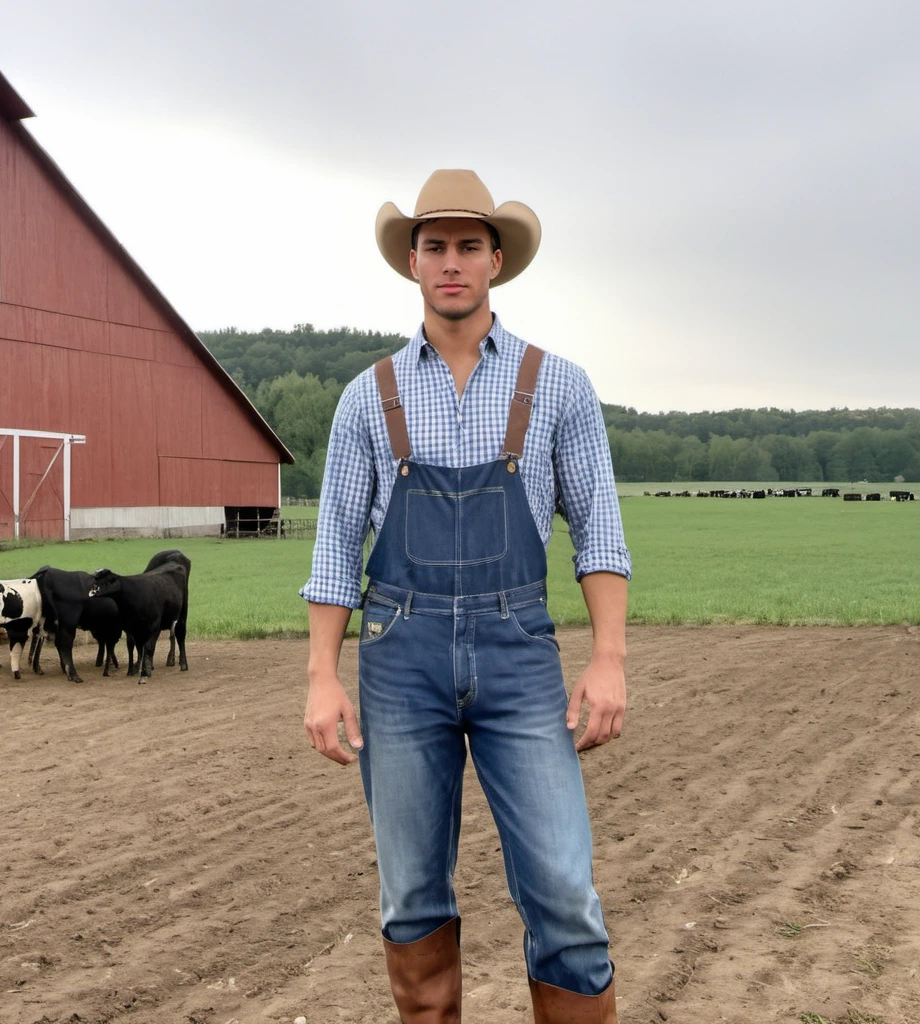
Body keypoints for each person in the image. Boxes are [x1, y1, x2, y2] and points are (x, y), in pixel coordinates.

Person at [301, 169, 631, 1024]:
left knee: (564, 894)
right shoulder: (365, 397)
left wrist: (607, 658)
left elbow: (599, 532)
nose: (453, 262)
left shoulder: (559, 386)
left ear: (496, 262)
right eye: (436, 246)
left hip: (519, 653)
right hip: (398, 660)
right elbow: (335, 546)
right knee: (411, 896)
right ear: (413, 261)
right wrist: (321, 676)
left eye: (469, 247)